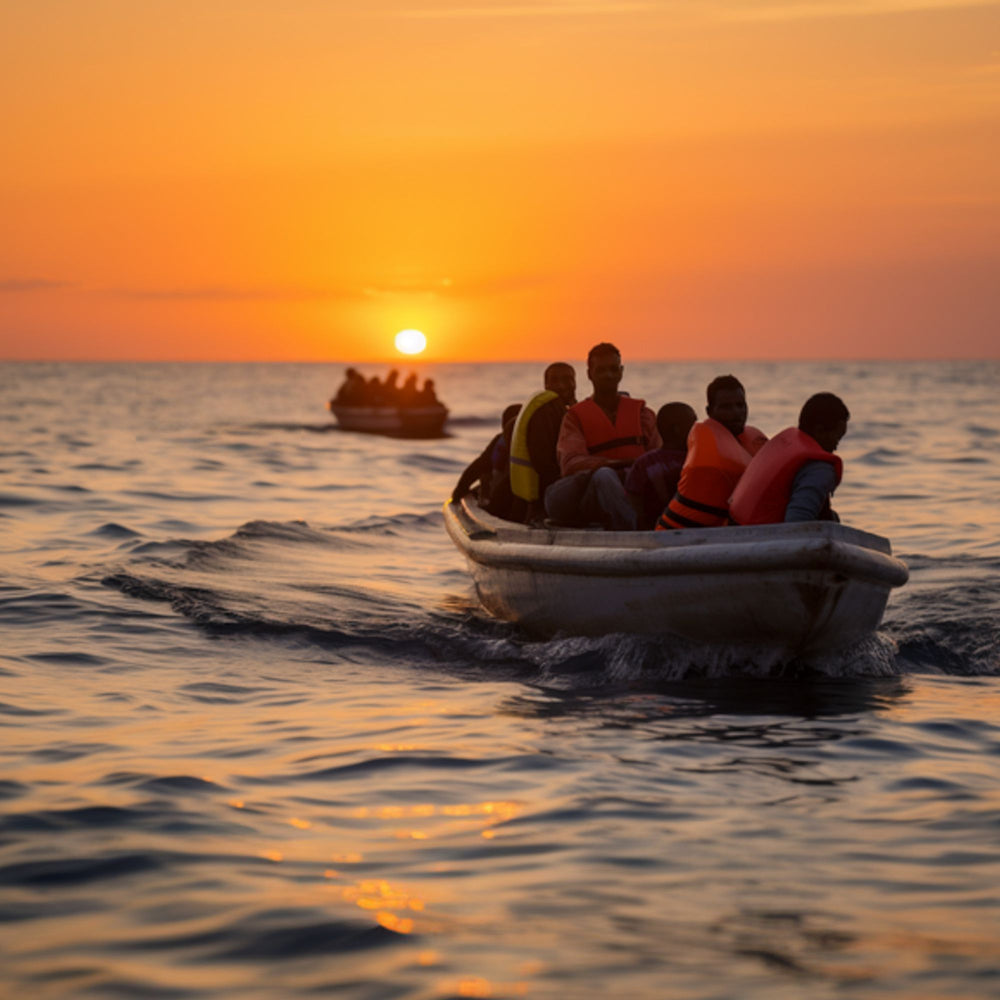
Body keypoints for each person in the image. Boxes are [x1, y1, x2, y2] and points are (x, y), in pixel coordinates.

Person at [545, 343, 660, 530]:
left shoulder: (643, 414)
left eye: (613, 369)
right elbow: (571, 463)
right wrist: (617, 465)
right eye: (601, 370)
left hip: (636, 486)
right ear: (590, 374)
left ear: (621, 372)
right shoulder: (574, 417)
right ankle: (632, 531)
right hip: (592, 492)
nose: (608, 375)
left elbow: (657, 456)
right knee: (604, 476)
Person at [657, 374, 767, 530]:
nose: (736, 412)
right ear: (709, 411)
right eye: (726, 407)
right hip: (678, 538)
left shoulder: (752, 441)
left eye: (740, 405)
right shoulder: (709, 455)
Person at [729, 392, 849, 525]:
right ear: (820, 431)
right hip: (765, 538)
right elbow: (797, 523)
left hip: (738, 527)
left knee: (832, 518)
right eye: (837, 439)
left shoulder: (786, 442)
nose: (836, 447)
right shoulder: (820, 469)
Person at [509, 362, 577, 525]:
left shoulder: (575, 412)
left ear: (575, 383)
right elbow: (543, 465)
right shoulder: (542, 415)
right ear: (546, 385)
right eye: (554, 380)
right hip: (544, 498)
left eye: (567, 380)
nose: (561, 386)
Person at [625, 402, 697, 530]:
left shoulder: (644, 463)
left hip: (654, 530)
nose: (697, 428)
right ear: (677, 429)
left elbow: (634, 506)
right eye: (693, 423)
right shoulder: (697, 458)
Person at [451, 404, 522, 518]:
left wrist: (458, 492)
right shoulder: (501, 442)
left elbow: (478, 466)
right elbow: (478, 466)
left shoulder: (503, 441)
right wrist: (459, 490)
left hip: (505, 501)